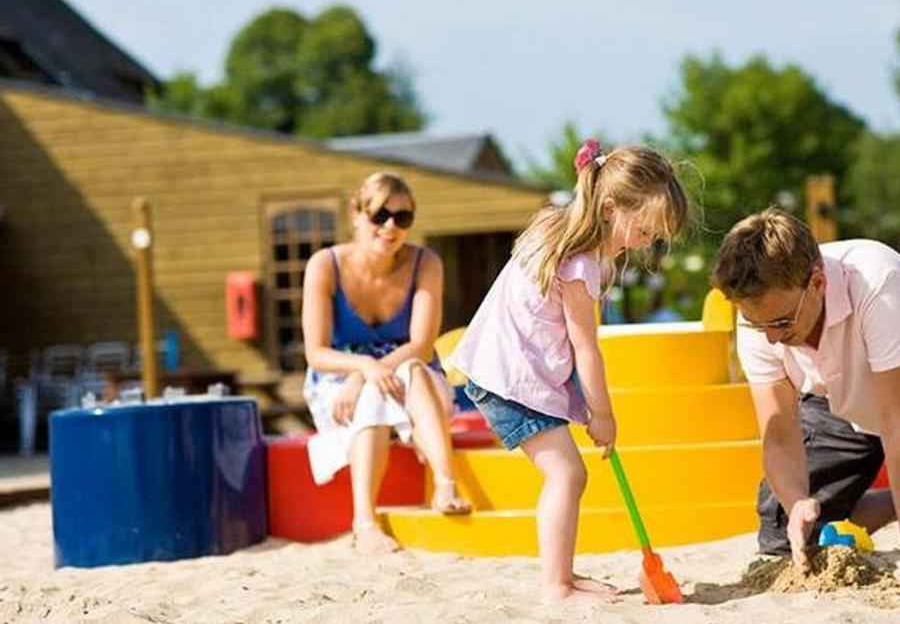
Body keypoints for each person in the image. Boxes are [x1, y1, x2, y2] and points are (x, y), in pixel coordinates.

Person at [448, 139, 689, 601]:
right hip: (510, 379)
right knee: (567, 475)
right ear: (610, 208)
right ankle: (556, 584)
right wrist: (603, 414)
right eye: (644, 230)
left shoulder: (555, 230)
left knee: (566, 473)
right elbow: (585, 347)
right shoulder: (580, 264)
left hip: (507, 370)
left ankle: (562, 574)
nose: (645, 242)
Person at [711, 208, 900, 572]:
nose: (771, 338)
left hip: (893, 397)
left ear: (817, 283)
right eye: (757, 325)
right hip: (837, 403)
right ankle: (888, 502)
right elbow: (779, 434)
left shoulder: (880, 281)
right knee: (785, 531)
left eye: (782, 322)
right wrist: (796, 500)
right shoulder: (759, 315)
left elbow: (896, 423)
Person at [301, 172, 471, 555]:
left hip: (411, 376)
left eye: (402, 217)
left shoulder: (425, 262)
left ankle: (445, 485)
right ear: (356, 214)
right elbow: (316, 353)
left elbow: (421, 346)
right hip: (339, 379)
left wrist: (374, 371)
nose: (391, 226)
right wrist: (364, 370)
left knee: (413, 370)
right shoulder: (324, 265)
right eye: (380, 215)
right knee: (374, 395)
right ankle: (365, 523)